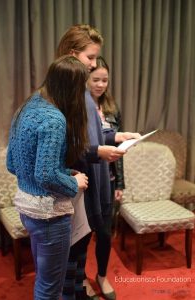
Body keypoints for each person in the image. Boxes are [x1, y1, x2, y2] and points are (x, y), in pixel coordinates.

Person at [56, 24, 140, 300]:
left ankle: (84, 285)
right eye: (90, 58)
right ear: (72, 54)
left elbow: (95, 132)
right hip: (82, 185)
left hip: (101, 182)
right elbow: (70, 146)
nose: (94, 65)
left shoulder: (86, 96)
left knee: (89, 245)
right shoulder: (67, 96)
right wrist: (100, 152)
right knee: (76, 250)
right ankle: (78, 289)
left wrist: (117, 135)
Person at [6, 55, 89, 300]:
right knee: (50, 288)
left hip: (27, 209)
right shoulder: (54, 119)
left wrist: (62, 172)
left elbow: (13, 164)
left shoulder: (28, 105)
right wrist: (73, 182)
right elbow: (44, 174)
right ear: (71, 88)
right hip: (49, 216)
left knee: (44, 281)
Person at [84, 56, 125, 299]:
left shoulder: (111, 108)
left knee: (105, 233)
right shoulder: (78, 106)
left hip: (107, 181)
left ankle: (101, 274)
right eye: (95, 79)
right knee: (82, 234)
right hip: (86, 180)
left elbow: (120, 149)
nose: (100, 85)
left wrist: (120, 182)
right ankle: (80, 279)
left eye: (105, 80)